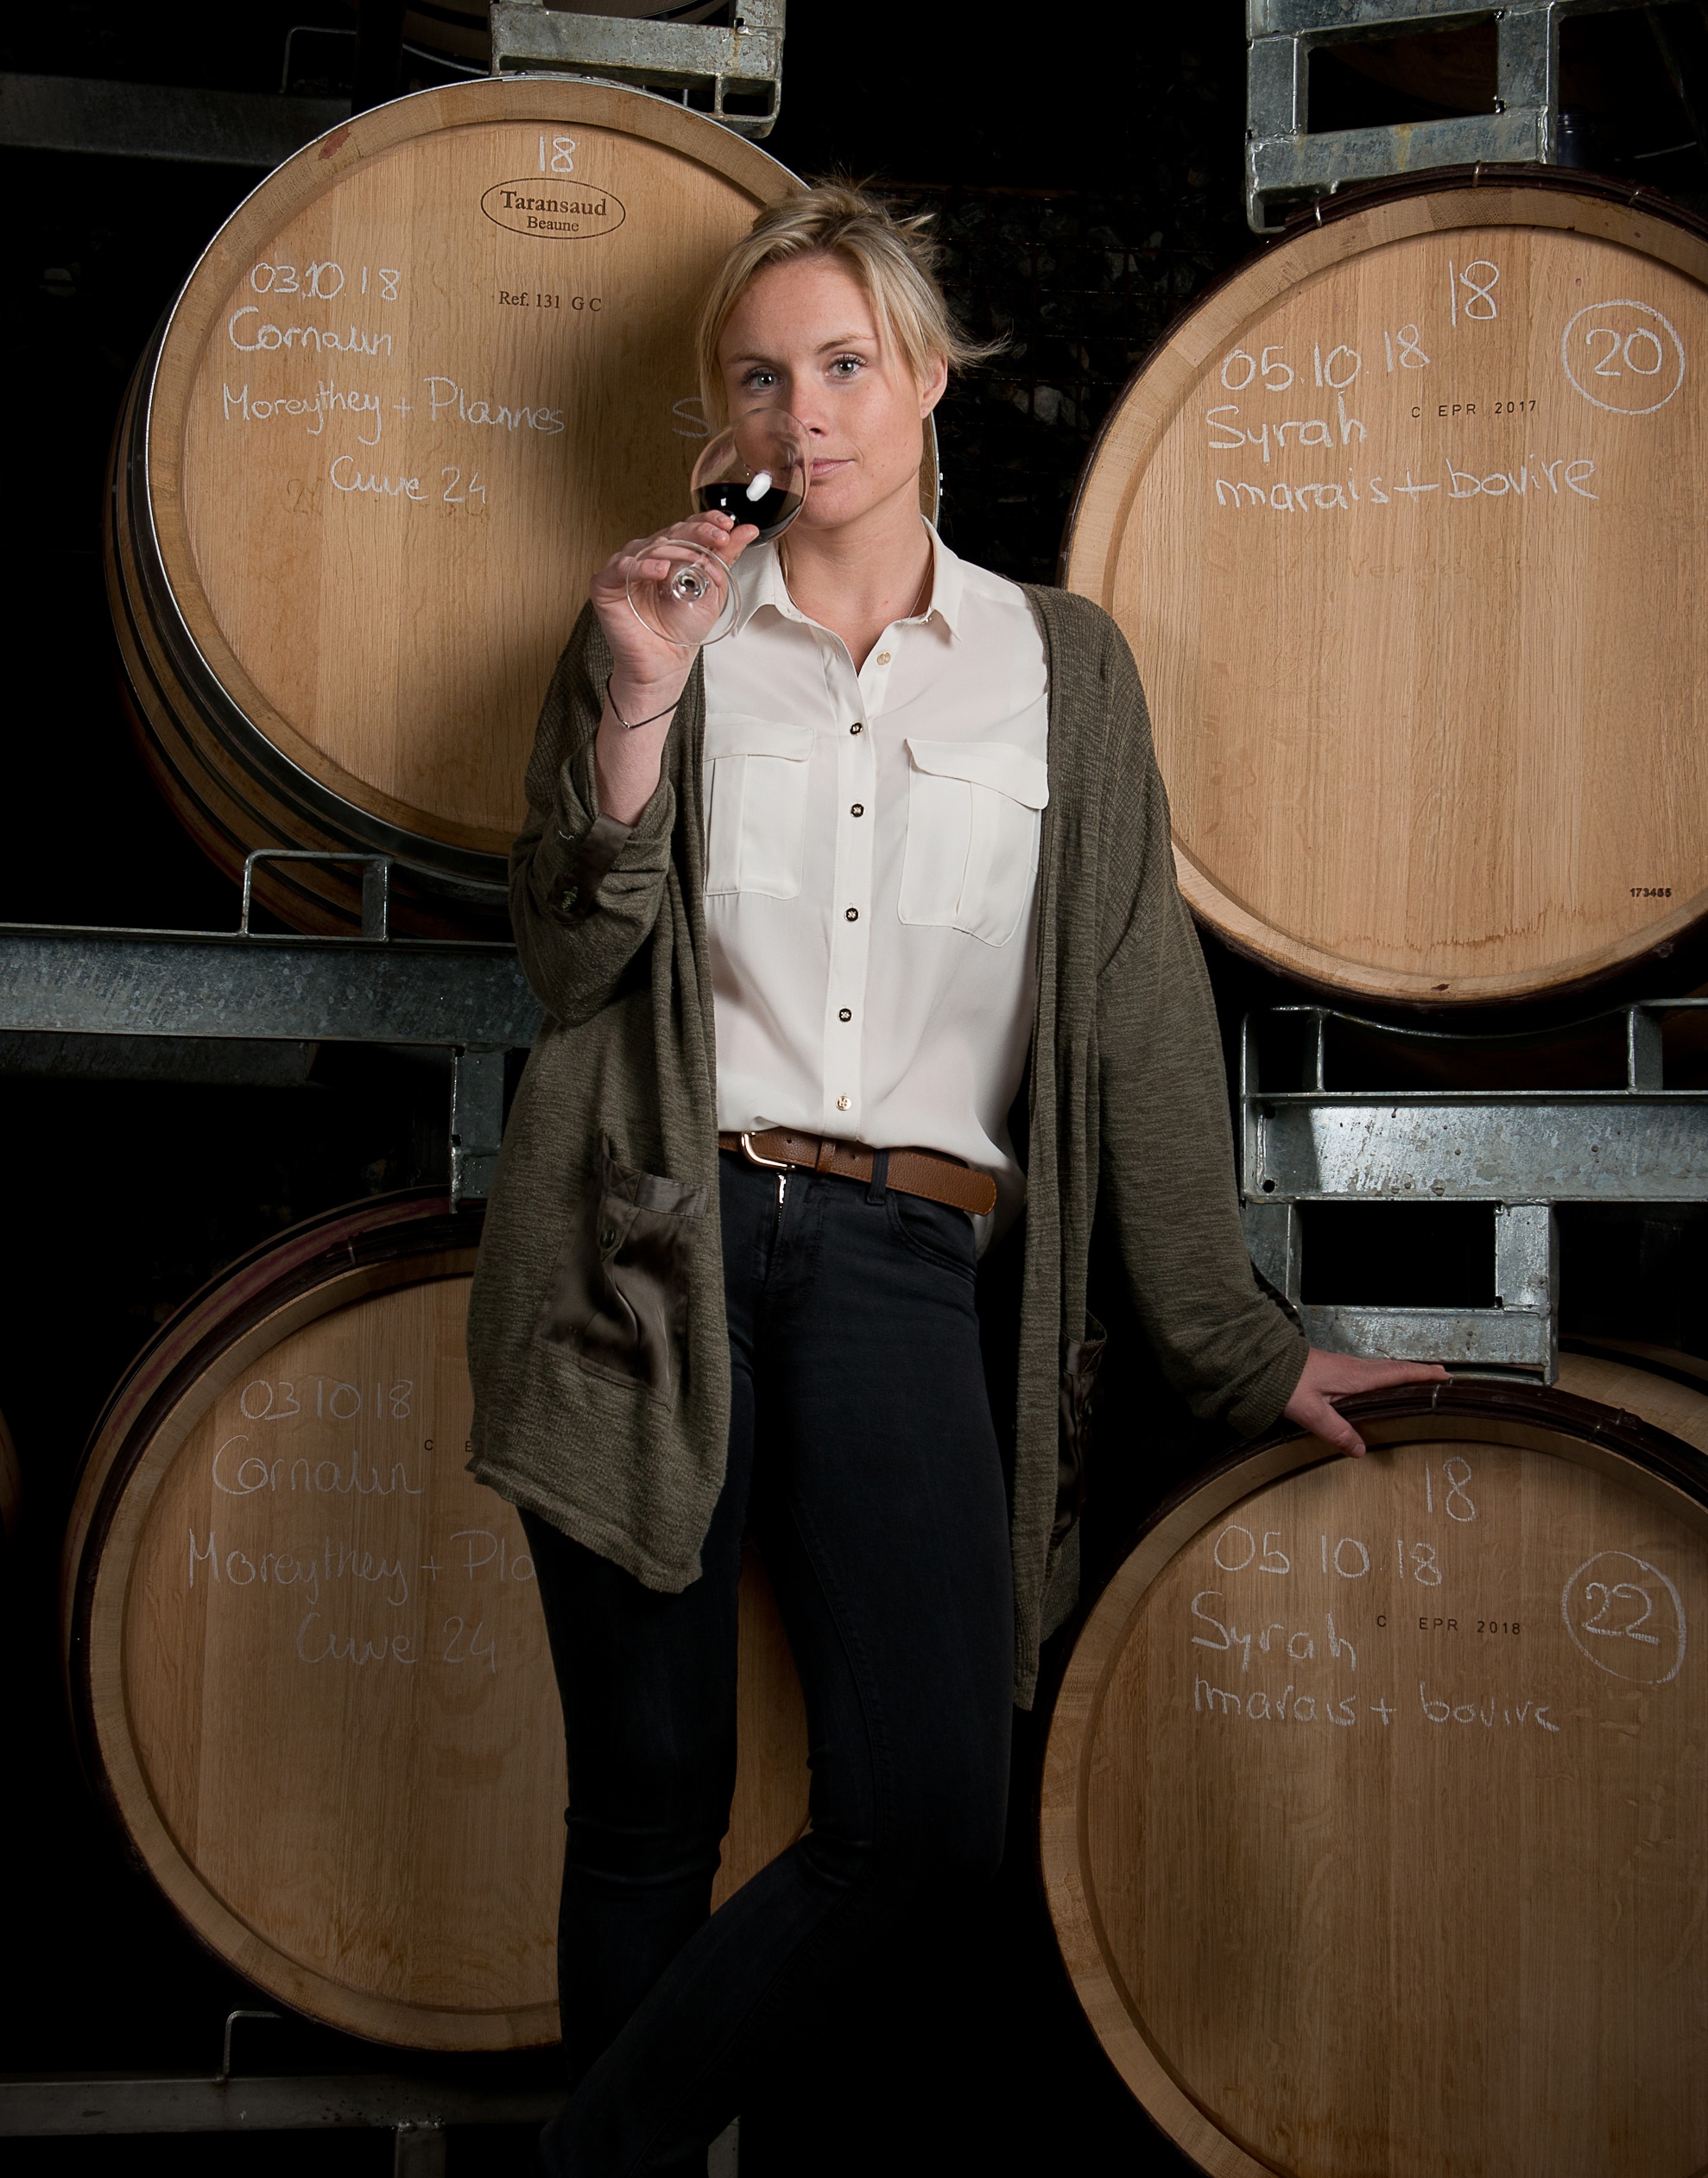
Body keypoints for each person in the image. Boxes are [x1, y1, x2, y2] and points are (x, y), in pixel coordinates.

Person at [466, 185, 1445, 2176]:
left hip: (902, 1257)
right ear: (722, 415)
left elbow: (1136, 1019)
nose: (804, 409)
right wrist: (639, 697)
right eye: (761, 376)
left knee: (922, 1811)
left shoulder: (1055, 667)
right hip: (646, 1247)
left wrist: (1239, 1344)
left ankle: (581, 2167)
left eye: (843, 362)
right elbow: (567, 961)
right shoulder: (659, 628)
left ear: (926, 378)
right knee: (646, 1797)